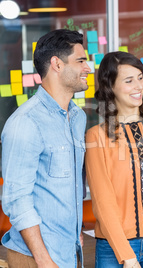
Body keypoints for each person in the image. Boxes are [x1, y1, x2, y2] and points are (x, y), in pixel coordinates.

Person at [1, 29, 90, 267]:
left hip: (69, 252)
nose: (88, 68)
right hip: (36, 258)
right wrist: (44, 260)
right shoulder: (26, 122)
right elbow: (16, 199)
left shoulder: (77, 117)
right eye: (81, 61)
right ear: (57, 64)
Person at [85, 51, 143, 268]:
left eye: (140, 77)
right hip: (113, 247)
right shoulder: (96, 136)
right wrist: (126, 255)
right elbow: (102, 201)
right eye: (128, 80)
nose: (139, 86)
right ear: (110, 87)